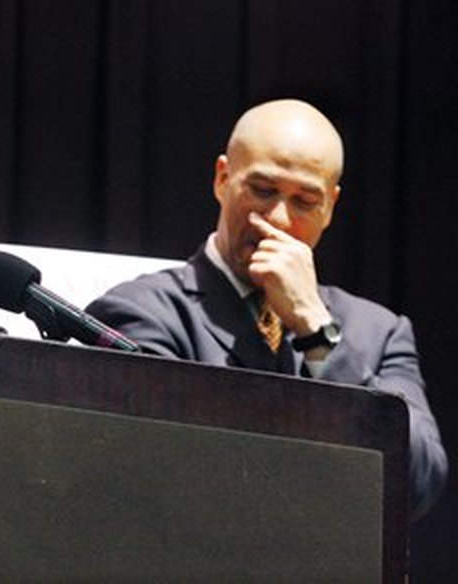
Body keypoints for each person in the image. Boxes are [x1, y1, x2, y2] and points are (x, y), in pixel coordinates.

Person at [86, 99, 447, 520]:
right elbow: (155, 477)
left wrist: (317, 332)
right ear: (223, 179)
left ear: (330, 206)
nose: (278, 218)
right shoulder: (141, 311)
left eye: (305, 201)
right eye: (262, 190)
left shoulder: (380, 332)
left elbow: (418, 485)